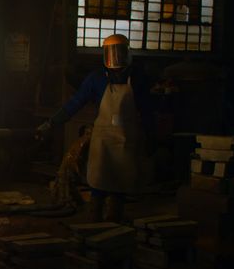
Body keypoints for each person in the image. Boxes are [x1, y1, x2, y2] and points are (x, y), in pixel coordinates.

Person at [37, 34, 154, 222]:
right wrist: (52, 122)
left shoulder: (137, 79)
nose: (115, 58)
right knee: (99, 182)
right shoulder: (97, 78)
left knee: (120, 185)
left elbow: (148, 110)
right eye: (111, 53)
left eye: (120, 52)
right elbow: (74, 103)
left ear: (128, 53)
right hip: (104, 140)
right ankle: (95, 221)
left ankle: (114, 225)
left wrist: (150, 137)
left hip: (126, 139)